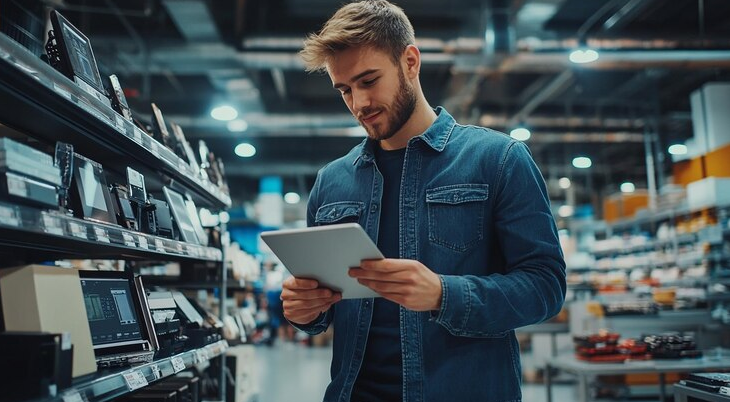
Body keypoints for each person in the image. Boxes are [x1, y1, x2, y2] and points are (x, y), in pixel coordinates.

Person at [280, 1, 566, 401]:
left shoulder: (497, 160)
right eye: (345, 89)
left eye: (368, 80)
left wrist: (443, 294)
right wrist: (304, 310)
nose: (358, 104)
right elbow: (324, 310)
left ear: (410, 62)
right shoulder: (332, 182)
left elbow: (545, 287)